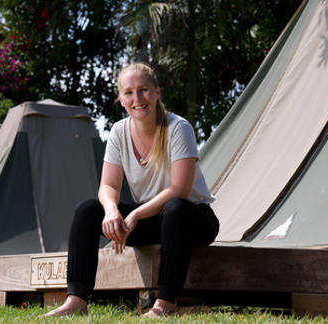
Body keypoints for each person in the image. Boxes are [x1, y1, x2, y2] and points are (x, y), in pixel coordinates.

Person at [44, 62, 219, 318]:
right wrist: (112, 211)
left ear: (157, 93)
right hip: (154, 220)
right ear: (121, 99)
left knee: (175, 208)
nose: (137, 98)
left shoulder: (178, 128)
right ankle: (76, 301)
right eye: (129, 92)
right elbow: (108, 185)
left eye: (144, 90)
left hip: (192, 219)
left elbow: (180, 189)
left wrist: (134, 215)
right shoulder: (118, 132)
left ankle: (164, 304)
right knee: (89, 210)